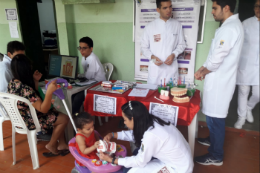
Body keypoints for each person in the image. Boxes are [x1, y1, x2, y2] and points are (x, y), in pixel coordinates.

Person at [194, 0, 244, 166]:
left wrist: (203, 71)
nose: (212, 12)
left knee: (215, 119)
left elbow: (216, 60)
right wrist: (202, 68)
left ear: (226, 7)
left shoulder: (230, 28)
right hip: (218, 80)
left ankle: (216, 156)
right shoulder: (228, 26)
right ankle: (212, 139)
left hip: (220, 82)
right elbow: (212, 56)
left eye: (215, 8)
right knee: (213, 117)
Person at [99, 101, 193, 173]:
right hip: (177, 160)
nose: (124, 123)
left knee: (130, 170)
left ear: (133, 119)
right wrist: (113, 134)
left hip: (178, 169)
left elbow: (139, 161)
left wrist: (112, 160)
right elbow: (136, 134)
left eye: (124, 119)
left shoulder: (151, 135)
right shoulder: (150, 120)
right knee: (135, 156)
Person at [8, 54, 70, 157]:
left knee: (56, 112)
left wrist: (35, 81)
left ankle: (62, 145)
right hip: (31, 121)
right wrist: (49, 92)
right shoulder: (26, 89)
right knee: (64, 118)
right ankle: (52, 145)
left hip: (20, 118)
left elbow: (32, 98)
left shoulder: (12, 83)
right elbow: (43, 110)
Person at [141, 0, 186, 85]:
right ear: (158, 10)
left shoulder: (177, 25)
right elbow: (143, 47)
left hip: (171, 70)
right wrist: (153, 58)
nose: (168, 10)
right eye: (165, 8)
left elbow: (182, 44)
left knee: (171, 95)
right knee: (153, 96)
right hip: (156, 71)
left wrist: (174, 54)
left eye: (170, 7)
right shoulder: (150, 26)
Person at [234, 0, 260, 129]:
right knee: (243, 91)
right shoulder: (246, 23)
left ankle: (249, 107)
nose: (258, 9)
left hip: (258, 65)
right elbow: (238, 42)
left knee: (258, 93)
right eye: (256, 6)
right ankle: (241, 117)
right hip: (245, 63)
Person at [72, 36, 106, 114]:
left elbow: (88, 76)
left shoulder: (93, 58)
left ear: (91, 48)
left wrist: (79, 76)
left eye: (84, 48)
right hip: (89, 82)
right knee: (72, 95)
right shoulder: (84, 57)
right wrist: (78, 75)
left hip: (98, 84)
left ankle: (73, 115)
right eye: (80, 48)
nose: (81, 50)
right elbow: (86, 75)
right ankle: (74, 114)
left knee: (78, 97)